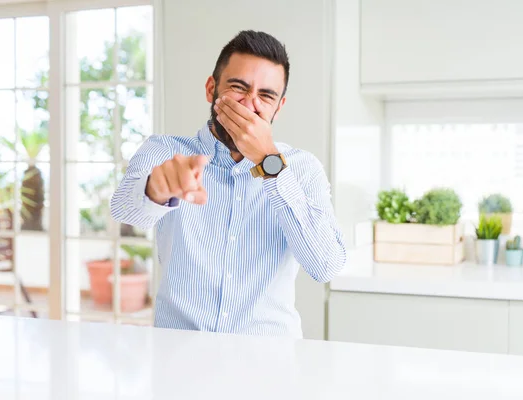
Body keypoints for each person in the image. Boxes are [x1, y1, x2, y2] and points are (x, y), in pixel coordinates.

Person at [110, 30, 346, 337]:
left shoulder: (303, 169)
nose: (250, 105)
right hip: (178, 357)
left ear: (279, 106)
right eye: (238, 88)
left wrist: (269, 163)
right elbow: (124, 211)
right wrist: (158, 189)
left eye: (266, 95)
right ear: (211, 89)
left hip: (268, 362)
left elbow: (325, 266)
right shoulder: (165, 151)